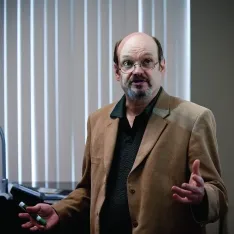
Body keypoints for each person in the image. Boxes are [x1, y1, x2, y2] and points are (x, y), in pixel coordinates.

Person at [19, 32, 228, 234]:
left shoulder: (195, 118)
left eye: (147, 61)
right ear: (117, 71)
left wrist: (202, 196)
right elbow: (89, 191)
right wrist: (58, 210)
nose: (137, 71)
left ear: (162, 66)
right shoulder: (98, 120)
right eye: (128, 63)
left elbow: (218, 194)